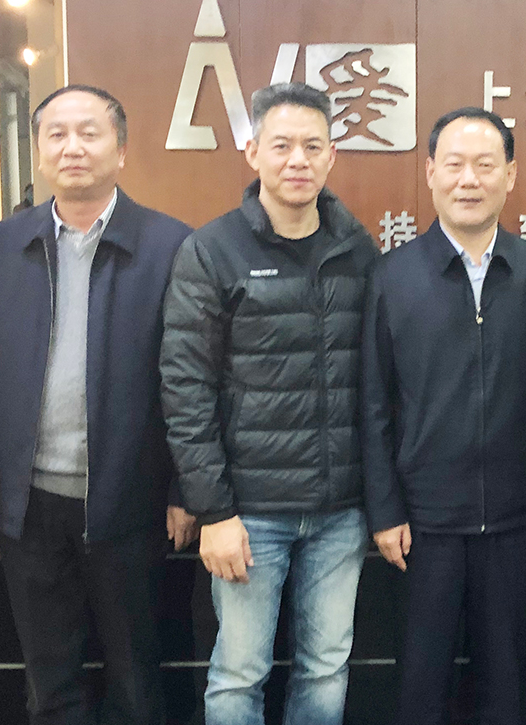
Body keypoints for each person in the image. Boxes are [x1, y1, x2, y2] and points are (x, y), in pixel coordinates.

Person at [0, 85, 196, 725]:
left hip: (132, 502)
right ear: (38, 151)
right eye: (57, 134)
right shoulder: (0, 245)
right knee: (50, 675)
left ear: (120, 150)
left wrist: (185, 488)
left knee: (137, 674)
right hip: (29, 505)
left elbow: (194, 380)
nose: (73, 147)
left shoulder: (171, 245)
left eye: (90, 133)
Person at [161, 82, 381, 725]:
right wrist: (214, 511)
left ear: (332, 156)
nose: (297, 160)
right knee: (239, 673)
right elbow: (186, 388)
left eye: (313, 146)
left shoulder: (357, 249)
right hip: (248, 512)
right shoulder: (213, 250)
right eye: (281, 145)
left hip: (341, 511)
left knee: (326, 667)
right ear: (253, 151)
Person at [361, 107, 526, 725]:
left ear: (510, 175)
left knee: (506, 685)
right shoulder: (393, 275)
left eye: (486, 165)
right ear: (430, 172)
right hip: (422, 524)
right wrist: (385, 509)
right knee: (420, 684)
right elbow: (373, 403)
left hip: (516, 515)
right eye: (454, 164)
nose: (469, 179)